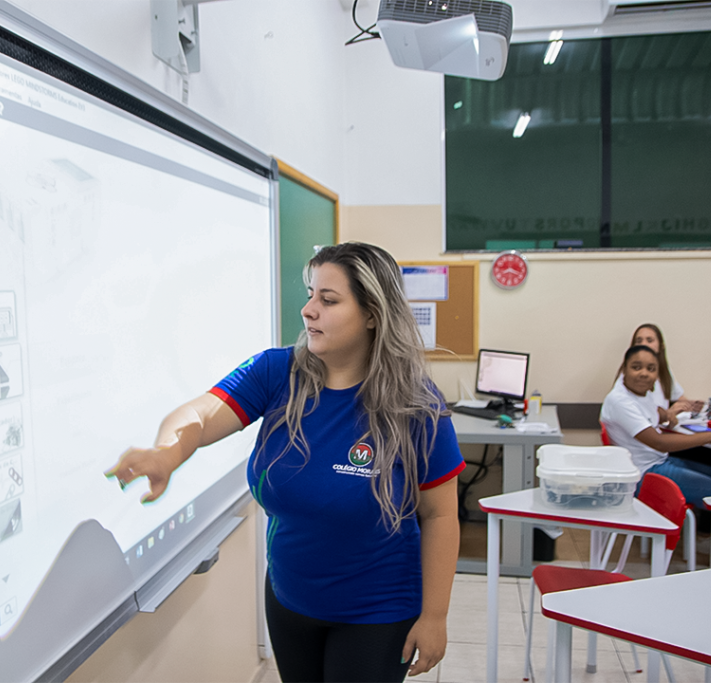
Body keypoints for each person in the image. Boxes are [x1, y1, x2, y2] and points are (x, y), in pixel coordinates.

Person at [105, 242, 464, 683]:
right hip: (289, 599)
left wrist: (435, 616)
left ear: (372, 313)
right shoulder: (278, 374)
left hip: (378, 611)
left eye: (328, 300)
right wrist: (167, 452)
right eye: (311, 295)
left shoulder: (415, 405)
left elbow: (441, 514)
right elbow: (199, 416)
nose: (308, 310)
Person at [601, 345, 711, 563]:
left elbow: (653, 412)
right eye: (636, 367)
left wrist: (667, 414)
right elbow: (659, 442)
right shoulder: (619, 400)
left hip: (659, 463)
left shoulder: (642, 393)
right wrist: (710, 437)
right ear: (624, 369)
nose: (644, 373)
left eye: (651, 369)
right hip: (646, 475)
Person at [614, 324, 703, 426]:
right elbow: (640, 412)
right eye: (639, 341)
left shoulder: (664, 371)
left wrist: (691, 406)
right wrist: (668, 413)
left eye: (649, 340)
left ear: (661, 346)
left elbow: (679, 397)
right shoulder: (629, 377)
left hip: (661, 428)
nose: (644, 344)